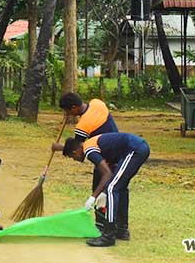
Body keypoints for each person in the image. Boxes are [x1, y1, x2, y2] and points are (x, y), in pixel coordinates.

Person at [53, 132, 150, 247]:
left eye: (72, 157)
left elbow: (107, 174)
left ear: (75, 151)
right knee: (120, 187)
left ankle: (108, 236)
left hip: (134, 149)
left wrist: (93, 197)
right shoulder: (92, 146)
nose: (75, 159)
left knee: (111, 188)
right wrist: (101, 193)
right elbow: (111, 168)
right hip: (138, 148)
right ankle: (122, 231)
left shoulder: (89, 150)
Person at [59, 92, 118, 232]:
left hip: (103, 157)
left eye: (67, 111)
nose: (67, 114)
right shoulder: (97, 103)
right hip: (118, 151)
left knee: (99, 190)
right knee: (116, 190)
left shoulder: (82, 126)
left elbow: (78, 150)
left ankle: (102, 226)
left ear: (74, 107)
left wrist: (59, 148)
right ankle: (120, 227)